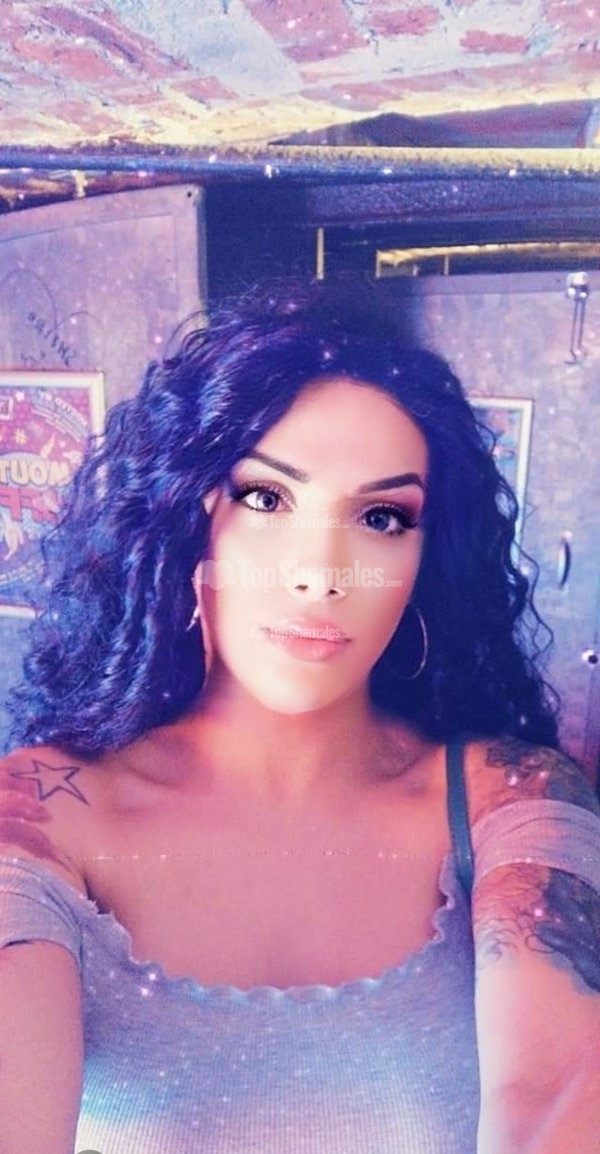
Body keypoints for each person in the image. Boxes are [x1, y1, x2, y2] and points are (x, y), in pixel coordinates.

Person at [0, 279, 599, 1154]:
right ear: (185, 520)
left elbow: (555, 1100)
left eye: (381, 516)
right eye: (267, 499)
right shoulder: (41, 818)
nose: (320, 575)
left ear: (427, 558)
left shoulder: (510, 798)